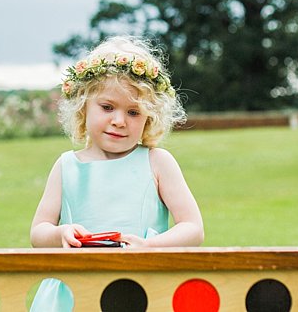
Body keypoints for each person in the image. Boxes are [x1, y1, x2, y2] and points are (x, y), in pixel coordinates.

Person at [29, 36, 204, 311]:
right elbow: (38, 232)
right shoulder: (67, 166)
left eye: (133, 112)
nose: (119, 121)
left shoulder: (157, 162)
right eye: (107, 107)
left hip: (141, 288)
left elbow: (193, 228)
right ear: (83, 106)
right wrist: (60, 233)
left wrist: (150, 246)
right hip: (74, 292)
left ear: (150, 117)